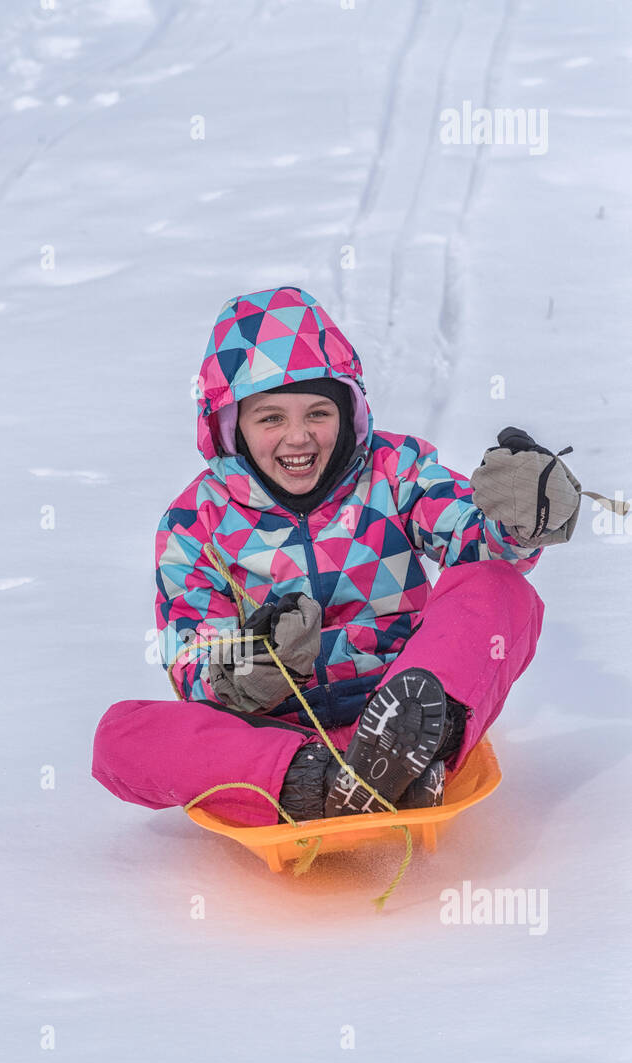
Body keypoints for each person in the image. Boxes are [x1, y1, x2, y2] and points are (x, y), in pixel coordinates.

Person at [92, 286, 583, 827]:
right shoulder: (195, 524)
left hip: (404, 701)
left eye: (318, 412)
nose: (298, 436)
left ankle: (410, 744)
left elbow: (473, 540)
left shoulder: (394, 470)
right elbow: (190, 656)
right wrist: (252, 671)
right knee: (120, 737)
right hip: (281, 739)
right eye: (270, 418)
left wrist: (516, 520)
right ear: (230, 426)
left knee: (498, 586)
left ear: (348, 411)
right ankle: (321, 784)